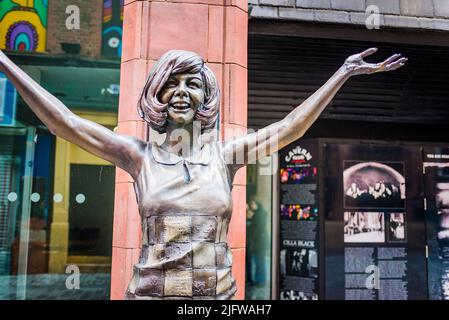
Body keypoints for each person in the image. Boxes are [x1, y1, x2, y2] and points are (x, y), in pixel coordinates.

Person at [0, 47, 406, 299]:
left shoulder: (225, 155)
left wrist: (344, 73)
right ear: (157, 94)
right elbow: (65, 122)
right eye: (170, 83)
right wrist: (5, 63)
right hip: (151, 294)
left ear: (204, 97)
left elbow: (289, 128)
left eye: (191, 83)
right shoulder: (138, 156)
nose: (181, 91)